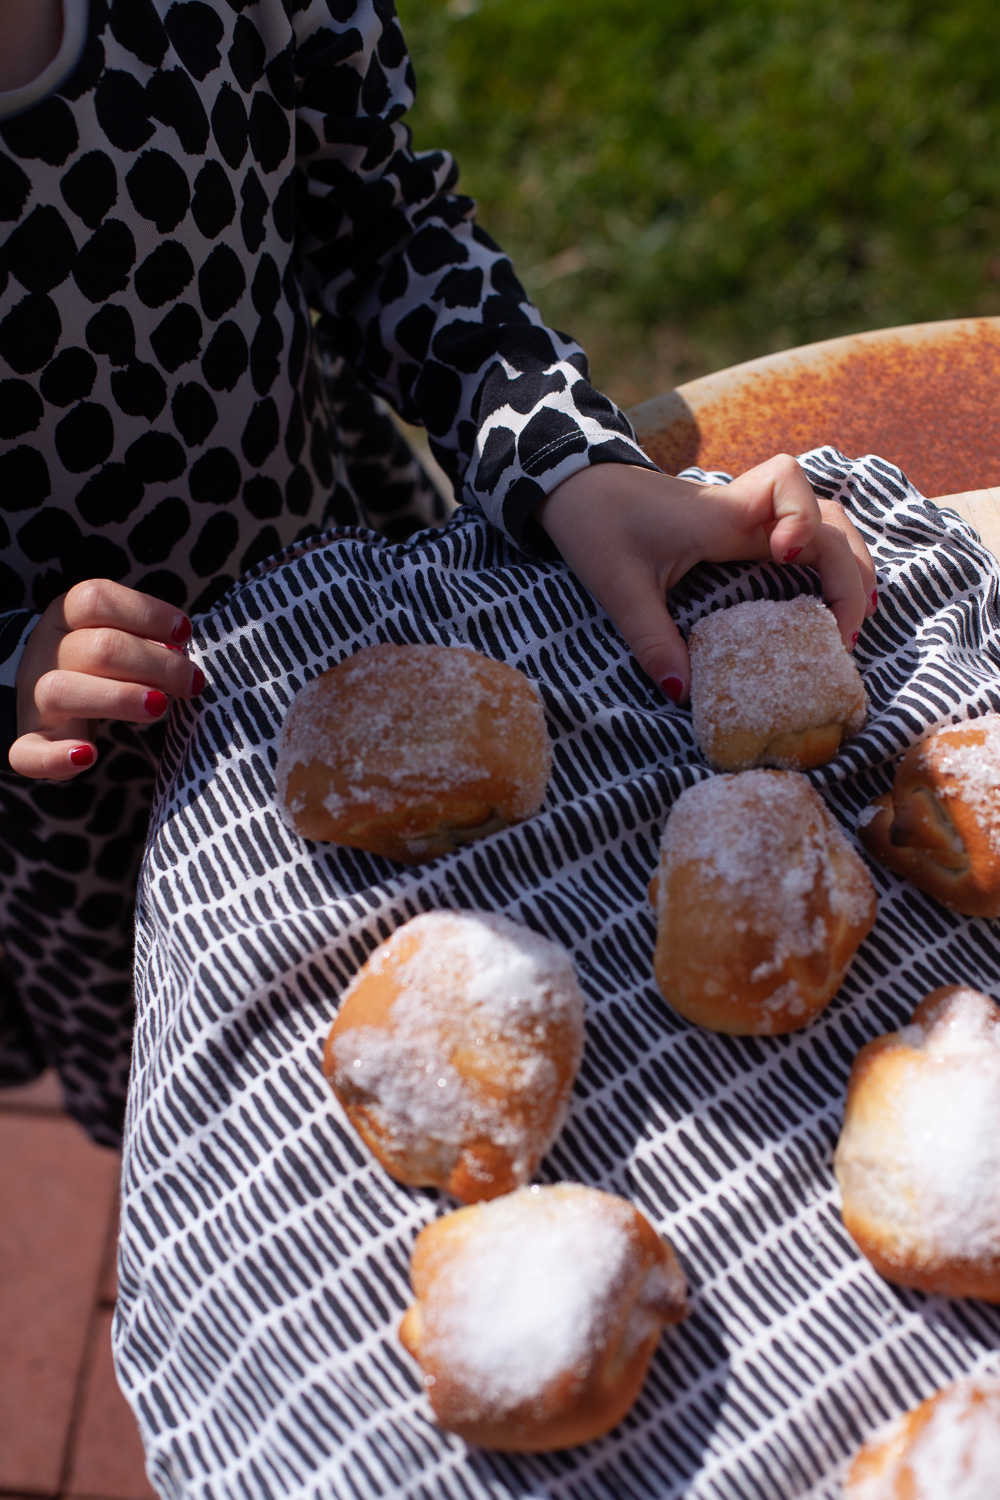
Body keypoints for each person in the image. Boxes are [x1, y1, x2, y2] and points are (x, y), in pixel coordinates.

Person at [0, 0, 876, 1145]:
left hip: (344, 573)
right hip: (73, 783)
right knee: (202, 1093)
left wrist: (562, 455)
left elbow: (379, 228)